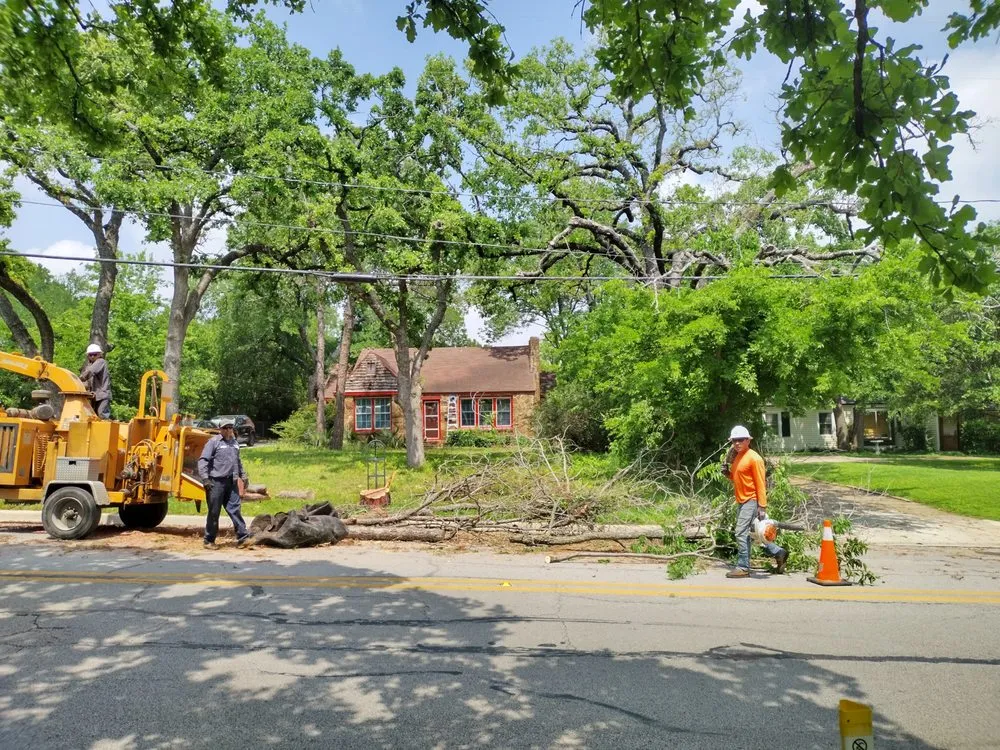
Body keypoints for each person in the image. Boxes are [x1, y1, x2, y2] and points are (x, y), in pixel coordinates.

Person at [724, 425, 788, 578]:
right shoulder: (738, 456)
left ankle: (743, 567)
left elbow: (761, 483)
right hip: (742, 500)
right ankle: (778, 552)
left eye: (740, 440)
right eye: (734, 440)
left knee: (740, 532)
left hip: (751, 500)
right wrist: (728, 474)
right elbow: (740, 478)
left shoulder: (755, 458)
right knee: (753, 534)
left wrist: (762, 506)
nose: (737, 443)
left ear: (748, 440)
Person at [197, 417, 253, 549]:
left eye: (230, 428)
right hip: (215, 483)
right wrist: (205, 479)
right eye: (225, 428)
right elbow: (203, 461)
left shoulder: (234, 443)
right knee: (214, 512)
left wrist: (243, 476)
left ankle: (243, 538)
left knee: (235, 509)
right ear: (220, 429)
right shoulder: (213, 442)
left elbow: (237, 461)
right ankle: (209, 540)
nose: (228, 430)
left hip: (231, 482)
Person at [80, 343, 112, 419]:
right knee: (92, 417)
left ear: (99, 355)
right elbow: (87, 382)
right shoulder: (89, 365)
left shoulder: (101, 362)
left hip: (102, 395)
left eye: (95, 354)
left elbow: (90, 372)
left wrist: (78, 379)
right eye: (90, 355)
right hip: (94, 396)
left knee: (102, 415)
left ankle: (105, 430)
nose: (92, 356)